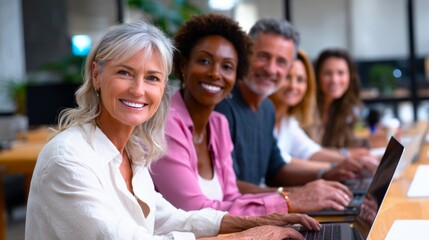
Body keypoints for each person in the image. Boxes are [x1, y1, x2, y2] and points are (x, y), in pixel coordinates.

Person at [25, 21, 320, 240]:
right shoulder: (67, 157)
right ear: (97, 75)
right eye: (124, 72)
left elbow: (170, 219)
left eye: (152, 78)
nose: (138, 90)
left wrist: (262, 221)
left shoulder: (133, 150)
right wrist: (247, 236)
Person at [151, 14, 299, 216]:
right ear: (184, 65)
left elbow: (232, 197)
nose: (215, 73)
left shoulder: (218, 124)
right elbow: (193, 210)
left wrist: (292, 201)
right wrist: (288, 202)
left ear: (236, 75)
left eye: (227, 66)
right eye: (204, 61)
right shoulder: (165, 124)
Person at [215, 18, 361, 213]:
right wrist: (294, 196)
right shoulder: (221, 107)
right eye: (263, 56)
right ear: (245, 54)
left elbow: (277, 169)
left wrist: (327, 172)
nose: (271, 69)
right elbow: (228, 187)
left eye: (281, 61)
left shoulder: (267, 108)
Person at [268, 49, 378, 172]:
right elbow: (284, 162)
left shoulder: (287, 121)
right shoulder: (298, 112)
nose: (334, 80)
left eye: (300, 80)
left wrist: (350, 159)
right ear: (315, 78)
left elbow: (310, 151)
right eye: (287, 77)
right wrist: (340, 163)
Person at [309, 48, 369, 150]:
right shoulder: (306, 108)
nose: (334, 80)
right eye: (328, 73)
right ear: (317, 76)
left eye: (341, 73)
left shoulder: (351, 110)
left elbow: (358, 144)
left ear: (350, 77)